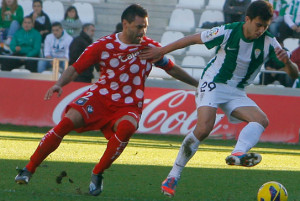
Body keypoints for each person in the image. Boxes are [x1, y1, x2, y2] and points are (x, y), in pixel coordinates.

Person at [14, 4, 198, 197]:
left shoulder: (149, 49)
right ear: (125, 24)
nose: (142, 31)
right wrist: (60, 83)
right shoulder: (103, 45)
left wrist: (196, 83)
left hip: (129, 104)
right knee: (66, 122)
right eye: (139, 27)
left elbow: (172, 68)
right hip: (100, 98)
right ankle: (29, 168)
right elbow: (76, 68)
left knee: (127, 128)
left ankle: (97, 172)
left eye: (145, 27)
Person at [140, 0, 299, 197]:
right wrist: (161, 51)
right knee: (205, 127)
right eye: (259, 25)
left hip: (236, 91)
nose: (261, 30)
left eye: (265, 26)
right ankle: (173, 175)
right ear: (247, 19)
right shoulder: (229, 31)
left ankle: (237, 153)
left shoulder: (269, 42)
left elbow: (293, 75)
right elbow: (192, 39)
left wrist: (287, 63)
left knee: (261, 120)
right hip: (213, 83)